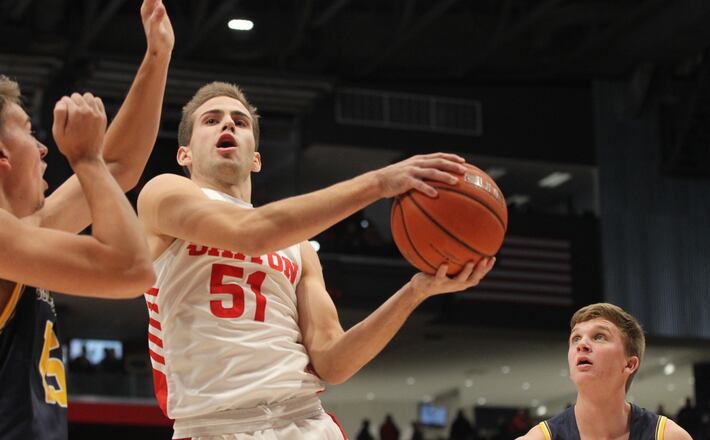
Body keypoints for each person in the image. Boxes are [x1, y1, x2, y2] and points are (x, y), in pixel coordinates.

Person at [138, 82, 495, 439]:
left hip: (304, 420)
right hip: (216, 426)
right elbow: (249, 232)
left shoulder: (299, 247)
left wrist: (416, 291)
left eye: (240, 122)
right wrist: (378, 183)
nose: (227, 126)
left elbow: (333, 362)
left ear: (256, 158)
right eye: (211, 120)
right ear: (184, 154)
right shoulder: (164, 192)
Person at [0, 1, 174, 438]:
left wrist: (157, 56)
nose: (43, 149)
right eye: (28, 130)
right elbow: (131, 269)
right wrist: (86, 161)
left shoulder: (10, 239)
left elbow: (118, 167)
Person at [517, 303, 692, 440]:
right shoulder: (539, 437)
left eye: (599, 336)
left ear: (629, 365)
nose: (582, 344)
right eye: (576, 338)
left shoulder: (668, 436)